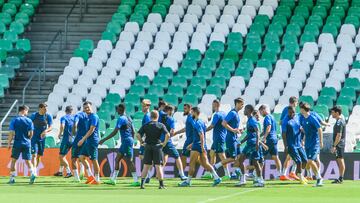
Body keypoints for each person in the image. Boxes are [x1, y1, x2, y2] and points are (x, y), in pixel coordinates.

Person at [178, 107, 222, 187]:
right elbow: (201, 136)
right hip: (200, 145)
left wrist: (200, 146)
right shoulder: (202, 122)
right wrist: (196, 145)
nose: (191, 114)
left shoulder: (197, 123)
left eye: (192, 112)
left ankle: (187, 181)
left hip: (197, 146)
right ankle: (217, 177)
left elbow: (201, 134)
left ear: (195, 112)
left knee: (192, 163)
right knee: (205, 164)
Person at [100, 103, 140, 186]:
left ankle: (136, 181)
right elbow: (133, 131)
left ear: (121, 109)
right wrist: (131, 140)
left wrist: (103, 139)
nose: (116, 110)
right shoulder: (129, 118)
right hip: (127, 141)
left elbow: (115, 132)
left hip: (126, 141)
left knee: (130, 161)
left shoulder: (121, 119)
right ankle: (113, 180)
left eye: (117, 109)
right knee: (117, 159)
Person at [136, 110, 170, 189]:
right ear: (157, 117)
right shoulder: (160, 125)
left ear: (150, 116)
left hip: (148, 146)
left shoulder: (146, 125)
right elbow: (168, 134)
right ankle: (161, 185)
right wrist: (164, 143)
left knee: (146, 166)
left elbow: (137, 134)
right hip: (157, 146)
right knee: (158, 166)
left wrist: (141, 142)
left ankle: (142, 184)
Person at [213, 98, 244, 176]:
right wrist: (233, 130)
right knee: (233, 157)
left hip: (235, 138)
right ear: (237, 103)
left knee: (239, 156)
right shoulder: (232, 113)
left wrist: (238, 130)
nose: (242, 106)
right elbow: (224, 123)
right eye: (241, 104)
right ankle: (216, 166)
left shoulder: (236, 113)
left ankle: (235, 172)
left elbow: (232, 126)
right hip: (231, 138)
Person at [7, 105, 36, 184]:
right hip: (27, 143)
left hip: (17, 143)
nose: (27, 112)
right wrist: (28, 139)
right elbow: (31, 133)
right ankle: (33, 173)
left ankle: (12, 178)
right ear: (24, 110)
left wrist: (9, 143)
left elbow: (11, 133)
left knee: (14, 160)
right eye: (27, 111)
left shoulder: (14, 120)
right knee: (28, 161)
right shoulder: (29, 121)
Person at [237, 104, 264, 187]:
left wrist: (257, 143)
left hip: (253, 144)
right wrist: (241, 141)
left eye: (245, 109)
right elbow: (249, 134)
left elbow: (257, 131)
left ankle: (260, 180)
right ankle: (243, 179)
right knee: (241, 160)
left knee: (255, 162)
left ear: (249, 110)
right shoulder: (249, 120)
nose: (244, 110)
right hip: (249, 143)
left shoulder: (252, 120)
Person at [159, 105, 187, 180]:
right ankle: (182, 175)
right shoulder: (171, 119)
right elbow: (172, 131)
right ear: (170, 111)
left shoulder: (160, 116)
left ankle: (149, 176)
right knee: (177, 156)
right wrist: (171, 135)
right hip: (167, 141)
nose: (173, 112)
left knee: (160, 158)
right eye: (172, 110)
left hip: (158, 141)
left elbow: (160, 110)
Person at [204, 100, 229, 180]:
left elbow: (212, 126)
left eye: (213, 104)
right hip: (219, 137)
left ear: (216, 105)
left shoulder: (216, 115)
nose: (212, 106)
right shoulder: (224, 113)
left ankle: (227, 173)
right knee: (212, 153)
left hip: (218, 138)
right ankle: (210, 173)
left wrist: (203, 131)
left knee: (222, 156)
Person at [299, 102, 324, 187]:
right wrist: (303, 140)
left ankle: (319, 178)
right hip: (307, 144)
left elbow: (319, 129)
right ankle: (317, 178)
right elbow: (307, 132)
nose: (300, 110)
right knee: (309, 161)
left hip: (314, 143)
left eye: (301, 108)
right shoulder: (303, 119)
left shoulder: (312, 118)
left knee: (310, 161)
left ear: (303, 109)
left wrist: (321, 142)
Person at [77, 101, 101, 184]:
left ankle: (97, 179)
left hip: (93, 141)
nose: (87, 109)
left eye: (88, 107)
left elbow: (92, 129)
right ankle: (90, 176)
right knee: (81, 156)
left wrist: (82, 139)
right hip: (88, 141)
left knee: (94, 160)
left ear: (91, 107)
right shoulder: (87, 117)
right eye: (85, 108)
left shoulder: (94, 116)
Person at [284, 106, 308, 185]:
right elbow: (283, 134)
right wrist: (286, 146)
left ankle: (299, 173)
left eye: (292, 112)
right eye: (290, 112)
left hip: (298, 143)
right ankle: (301, 177)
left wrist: (301, 129)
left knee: (305, 160)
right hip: (291, 145)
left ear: (295, 112)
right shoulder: (286, 121)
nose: (291, 114)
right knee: (298, 161)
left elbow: (299, 126)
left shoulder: (297, 117)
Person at [258, 104, 282, 179]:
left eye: (260, 112)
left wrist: (264, 137)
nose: (261, 114)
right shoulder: (272, 117)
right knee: (275, 157)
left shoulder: (267, 117)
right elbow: (267, 129)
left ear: (263, 110)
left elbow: (268, 127)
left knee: (261, 156)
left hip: (269, 140)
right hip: (274, 139)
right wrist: (260, 135)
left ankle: (258, 174)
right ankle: (279, 173)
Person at [30, 103, 53, 175]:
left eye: (46, 109)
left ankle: (35, 169)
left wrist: (45, 131)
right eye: (44, 109)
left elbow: (51, 127)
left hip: (42, 138)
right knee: (34, 155)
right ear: (40, 108)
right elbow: (29, 123)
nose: (46, 110)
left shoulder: (48, 116)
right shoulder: (34, 115)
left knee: (39, 155)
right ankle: (33, 172)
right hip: (33, 137)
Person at [280, 96, 299, 181]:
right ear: (294, 102)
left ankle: (289, 173)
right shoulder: (287, 110)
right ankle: (286, 173)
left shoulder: (289, 110)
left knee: (291, 155)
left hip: (293, 136)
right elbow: (281, 122)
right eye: (297, 102)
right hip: (289, 136)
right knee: (291, 155)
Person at [54, 106, 74, 178]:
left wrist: (59, 134)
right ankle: (60, 171)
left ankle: (69, 172)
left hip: (66, 139)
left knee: (61, 156)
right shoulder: (74, 118)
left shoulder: (64, 118)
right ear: (72, 111)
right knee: (63, 156)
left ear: (65, 111)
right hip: (73, 139)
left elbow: (62, 126)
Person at [174, 103, 195, 170]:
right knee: (185, 156)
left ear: (190, 109)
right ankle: (182, 173)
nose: (184, 110)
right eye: (184, 108)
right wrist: (177, 132)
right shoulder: (189, 117)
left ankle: (182, 173)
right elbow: (186, 128)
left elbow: (195, 127)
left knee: (184, 156)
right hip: (189, 139)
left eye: (185, 109)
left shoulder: (191, 118)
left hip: (190, 140)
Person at [71, 108, 90, 182]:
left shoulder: (78, 115)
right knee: (83, 158)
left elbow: (75, 124)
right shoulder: (91, 116)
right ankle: (86, 173)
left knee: (73, 158)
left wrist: (74, 132)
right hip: (86, 139)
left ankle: (77, 178)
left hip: (78, 139)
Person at [330, 106, 346, 184]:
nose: (331, 114)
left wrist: (334, 145)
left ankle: (341, 178)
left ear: (337, 113)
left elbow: (339, 135)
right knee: (339, 160)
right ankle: (340, 177)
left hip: (339, 144)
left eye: (333, 112)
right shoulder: (338, 121)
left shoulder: (340, 122)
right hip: (339, 144)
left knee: (340, 160)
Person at [139, 99, 152, 182]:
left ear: (147, 106)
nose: (142, 107)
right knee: (144, 157)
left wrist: (143, 140)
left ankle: (148, 175)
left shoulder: (147, 116)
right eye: (142, 106)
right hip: (146, 139)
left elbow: (147, 129)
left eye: (144, 106)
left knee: (144, 157)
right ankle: (148, 175)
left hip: (146, 139)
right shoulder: (147, 115)